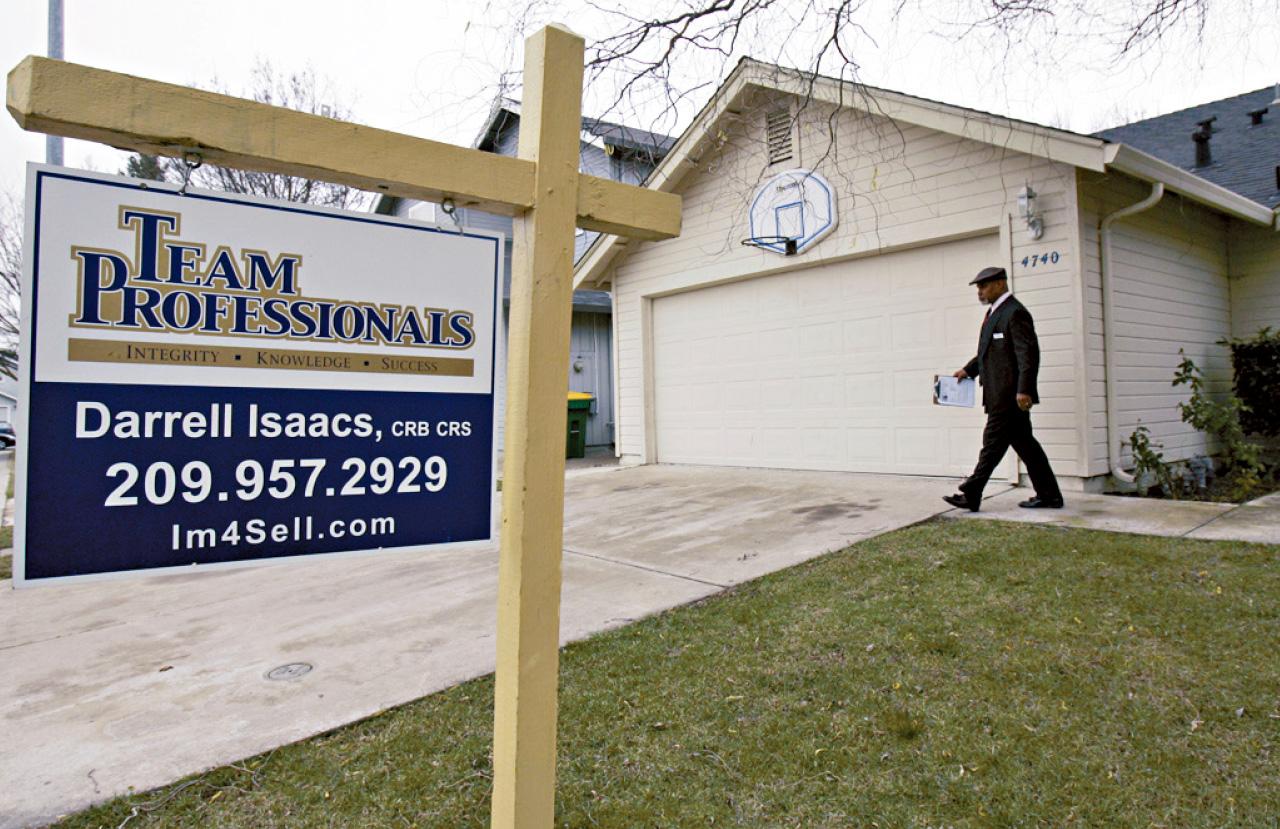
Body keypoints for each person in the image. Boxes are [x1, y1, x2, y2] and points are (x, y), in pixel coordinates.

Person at [943, 266, 1063, 512]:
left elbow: (1028, 355)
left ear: (1000, 284)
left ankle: (972, 492)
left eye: (984, 286)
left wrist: (1024, 389)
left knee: (992, 444)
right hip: (998, 393)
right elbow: (989, 353)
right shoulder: (995, 313)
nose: (980, 291)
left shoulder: (1015, 313)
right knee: (1026, 446)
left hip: (1009, 396)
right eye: (978, 287)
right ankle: (1049, 495)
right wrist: (968, 370)